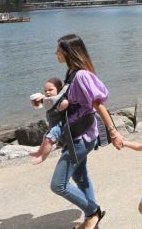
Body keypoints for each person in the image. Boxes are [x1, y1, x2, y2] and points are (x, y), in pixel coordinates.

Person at [50, 34, 124, 229]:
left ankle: (93, 212)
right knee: (80, 177)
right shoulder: (71, 73)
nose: (55, 53)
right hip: (76, 135)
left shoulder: (81, 75)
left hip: (81, 138)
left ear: (67, 52)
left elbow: (98, 105)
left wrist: (113, 132)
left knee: (58, 184)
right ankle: (91, 218)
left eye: (58, 49)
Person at [29, 77, 69, 165]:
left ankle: (43, 157)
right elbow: (45, 103)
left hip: (59, 125)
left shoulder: (60, 99)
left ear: (58, 90)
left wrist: (62, 106)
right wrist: (39, 101)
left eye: (50, 90)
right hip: (52, 125)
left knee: (48, 140)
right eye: (45, 91)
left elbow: (65, 103)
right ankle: (39, 152)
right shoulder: (50, 100)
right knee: (44, 138)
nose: (47, 92)